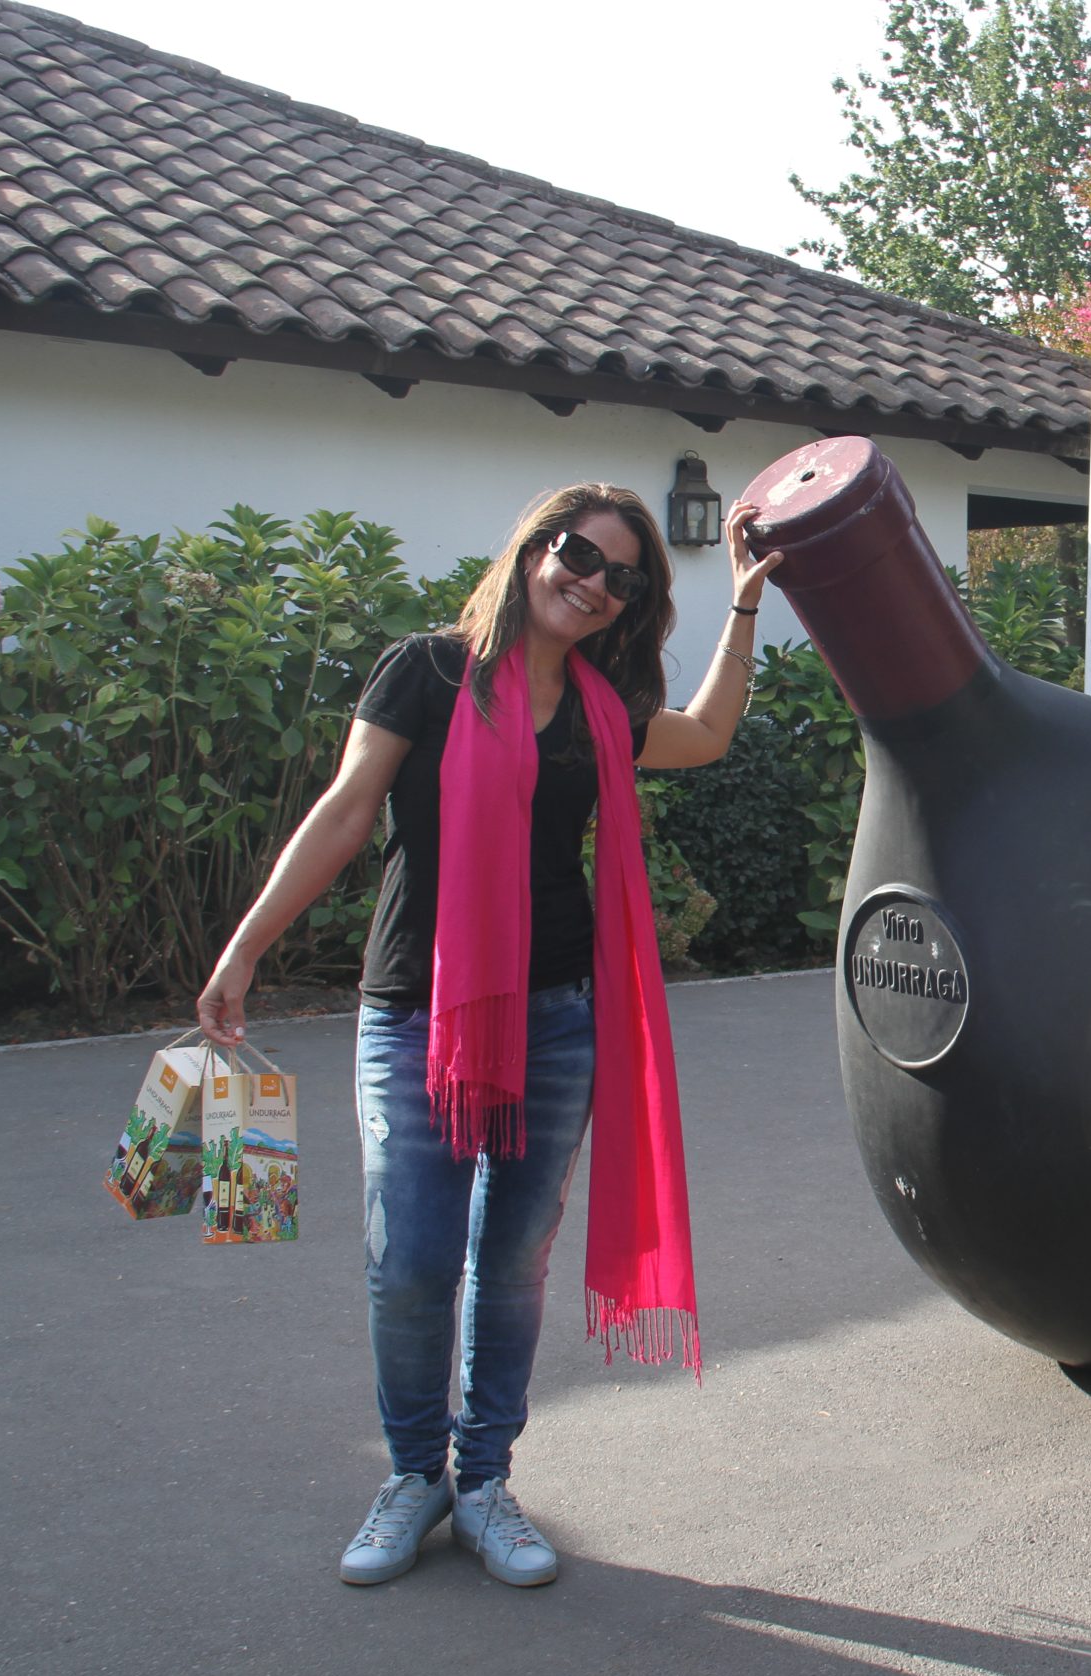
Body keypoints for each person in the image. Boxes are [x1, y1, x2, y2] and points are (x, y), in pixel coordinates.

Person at [196, 482, 780, 1588]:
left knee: (510, 1265)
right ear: (532, 549)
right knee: (409, 1264)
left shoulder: (603, 708)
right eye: (579, 554)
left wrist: (744, 604)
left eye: (622, 577)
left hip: (558, 1019)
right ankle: (413, 1474)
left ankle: (483, 1482)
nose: (594, 583)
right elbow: (345, 811)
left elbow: (705, 735)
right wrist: (244, 950)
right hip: (418, 1015)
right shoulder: (425, 672)